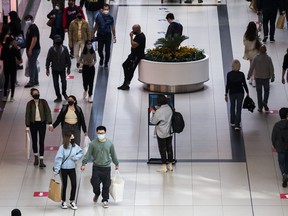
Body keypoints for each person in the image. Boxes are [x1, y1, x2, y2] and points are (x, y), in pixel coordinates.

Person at [80, 125, 119, 208]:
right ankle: (97, 193)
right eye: (99, 133)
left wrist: (116, 164)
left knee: (106, 185)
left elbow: (113, 155)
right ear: (96, 133)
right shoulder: (93, 144)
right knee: (95, 183)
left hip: (106, 167)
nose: (101, 134)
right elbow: (88, 154)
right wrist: (84, 164)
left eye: (102, 133)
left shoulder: (109, 144)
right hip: (96, 167)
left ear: (105, 133)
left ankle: (105, 200)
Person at [53, 132, 83, 210]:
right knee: (65, 185)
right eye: (71, 138)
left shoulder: (75, 147)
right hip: (63, 169)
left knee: (74, 184)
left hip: (72, 168)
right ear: (68, 139)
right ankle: (63, 201)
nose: (73, 139)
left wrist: (75, 157)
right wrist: (56, 170)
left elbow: (81, 152)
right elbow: (58, 159)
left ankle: (72, 201)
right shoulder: (62, 148)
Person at [25, 88, 52, 168]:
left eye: (37, 93)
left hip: (42, 124)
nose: (36, 94)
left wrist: (50, 123)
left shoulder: (43, 102)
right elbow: (27, 115)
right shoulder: (29, 104)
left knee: (41, 141)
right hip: (33, 124)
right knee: (34, 141)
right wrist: (27, 125)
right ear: (32, 95)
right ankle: (36, 156)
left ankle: (41, 160)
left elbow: (48, 112)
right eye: (34, 93)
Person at [117, 24, 146, 90]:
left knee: (131, 70)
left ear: (137, 29)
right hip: (133, 55)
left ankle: (126, 83)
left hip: (136, 56)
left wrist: (131, 37)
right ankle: (125, 82)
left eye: (134, 29)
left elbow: (133, 45)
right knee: (125, 65)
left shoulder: (141, 37)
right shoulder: (138, 35)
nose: (132, 31)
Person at [247, 45, 275, 112]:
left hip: (258, 78)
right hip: (266, 78)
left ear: (259, 50)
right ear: (266, 50)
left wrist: (249, 75)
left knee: (259, 93)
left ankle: (260, 108)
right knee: (266, 91)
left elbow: (252, 67)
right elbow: (271, 68)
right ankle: (265, 102)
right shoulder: (268, 58)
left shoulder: (256, 58)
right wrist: (272, 76)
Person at [150, 95, 173, 172]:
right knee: (169, 148)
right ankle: (170, 165)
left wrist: (153, 113)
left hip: (161, 132)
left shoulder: (159, 111)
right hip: (170, 131)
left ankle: (164, 166)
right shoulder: (170, 107)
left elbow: (153, 121)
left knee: (162, 149)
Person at [225, 59, 249, 131]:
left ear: (232, 66)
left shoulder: (229, 74)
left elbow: (227, 85)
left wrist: (225, 94)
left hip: (232, 93)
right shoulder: (241, 74)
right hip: (240, 93)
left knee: (232, 107)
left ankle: (232, 121)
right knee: (238, 109)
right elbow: (244, 84)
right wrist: (247, 92)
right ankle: (237, 125)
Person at [46, 35, 71, 102]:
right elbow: (48, 59)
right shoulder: (51, 49)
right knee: (55, 83)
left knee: (64, 81)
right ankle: (58, 96)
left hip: (62, 68)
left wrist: (69, 68)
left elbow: (68, 59)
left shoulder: (65, 49)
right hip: (54, 69)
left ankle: (64, 93)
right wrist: (47, 68)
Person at [0, 37, 22, 102]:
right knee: (12, 81)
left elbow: (1, 58)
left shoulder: (4, 48)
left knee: (6, 81)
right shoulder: (14, 48)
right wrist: (17, 49)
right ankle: (12, 97)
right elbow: (19, 57)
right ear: (11, 42)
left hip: (6, 66)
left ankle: (4, 96)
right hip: (13, 66)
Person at [94, 3, 116, 68]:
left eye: (107, 9)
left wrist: (114, 36)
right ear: (102, 10)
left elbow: (112, 27)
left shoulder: (111, 18)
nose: (106, 10)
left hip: (108, 35)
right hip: (100, 35)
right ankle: (101, 58)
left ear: (109, 10)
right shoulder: (98, 16)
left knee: (107, 50)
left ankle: (106, 62)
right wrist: (93, 33)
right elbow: (96, 25)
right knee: (100, 49)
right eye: (104, 9)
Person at [271, 107, 288, 187]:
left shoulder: (277, 125)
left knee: (281, 162)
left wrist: (275, 146)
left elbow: (273, 137)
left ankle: (284, 174)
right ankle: (286, 174)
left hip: (280, 147)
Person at [24, 15, 41, 88]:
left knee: (31, 65)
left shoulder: (33, 28)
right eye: (26, 20)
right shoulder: (30, 28)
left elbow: (34, 39)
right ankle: (35, 80)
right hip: (33, 49)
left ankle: (32, 81)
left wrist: (30, 49)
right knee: (33, 64)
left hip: (34, 49)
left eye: (28, 19)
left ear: (32, 19)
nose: (27, 21)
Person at [243, 21, 260, 87]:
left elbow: (244, 43)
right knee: (255, 66)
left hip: (248, 52)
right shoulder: (255, 34)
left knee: (251, 65)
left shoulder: (246, 34)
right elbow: (258, 42)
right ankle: (254, 79)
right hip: (255, 52)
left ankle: (250, 78)